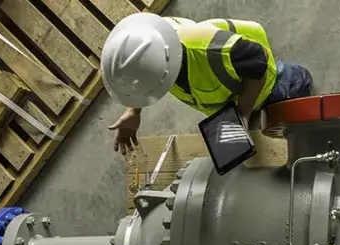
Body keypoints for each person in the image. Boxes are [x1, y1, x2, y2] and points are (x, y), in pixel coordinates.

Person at [102, 14, 314, 154]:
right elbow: (143, 76)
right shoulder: (155, 46)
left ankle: (291, 80)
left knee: (292, 86)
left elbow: (258, 61)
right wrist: (134, 111)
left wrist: (243, 113)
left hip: (254, 68)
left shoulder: (211, 51)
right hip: (228, 87)